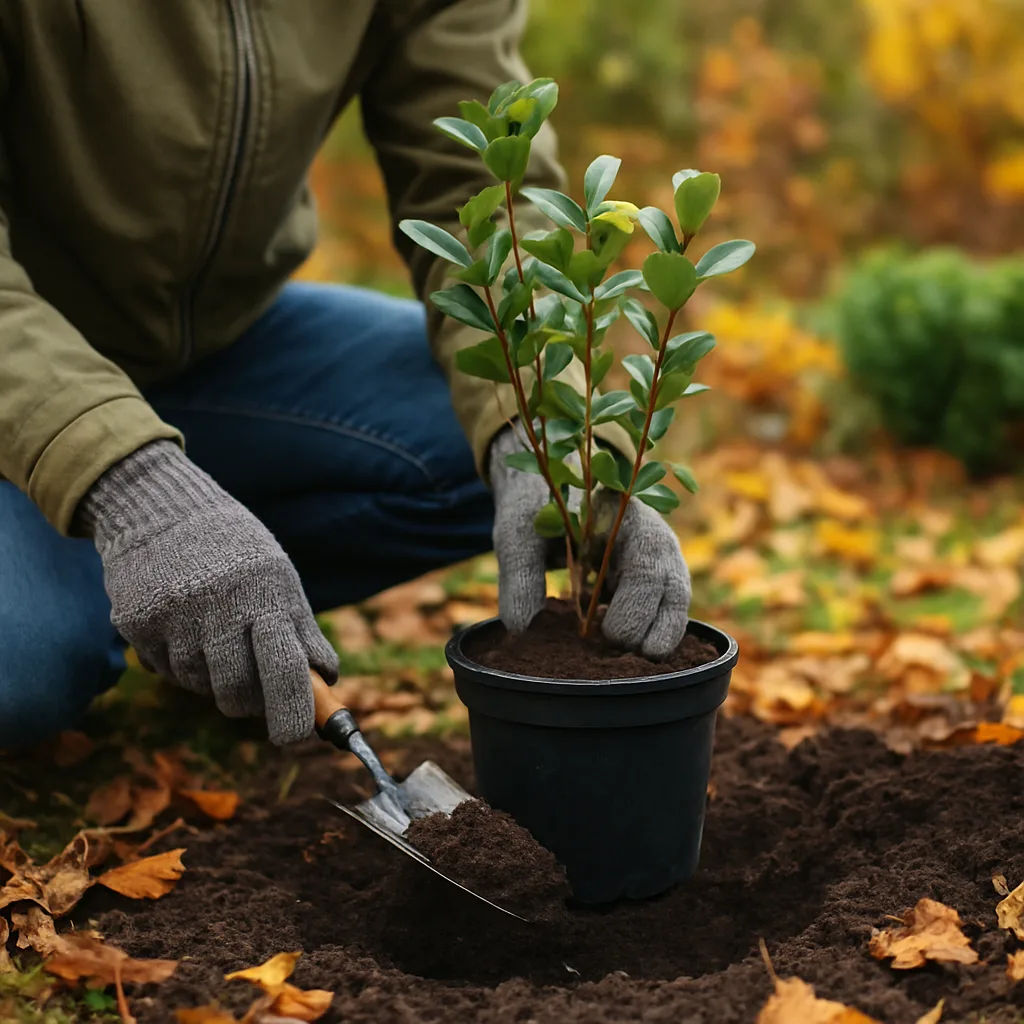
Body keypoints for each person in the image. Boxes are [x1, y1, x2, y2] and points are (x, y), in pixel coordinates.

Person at [0, 0, 691, 750]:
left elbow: (479, 191)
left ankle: (202, 595)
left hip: (224, 354)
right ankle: (114, 578)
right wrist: (133, 489)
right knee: (21, 667)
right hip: (22, 368)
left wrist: (552, 434)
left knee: (483, 436)